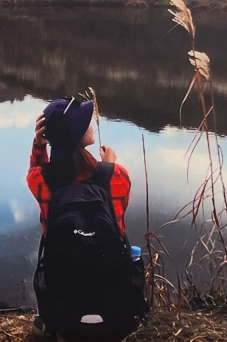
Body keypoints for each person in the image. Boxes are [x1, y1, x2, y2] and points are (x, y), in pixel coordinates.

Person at [28, 97, 145, 340]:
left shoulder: (40, 179)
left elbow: (36, 173)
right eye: (84, 122)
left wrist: (39, 147)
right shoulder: (118, 176)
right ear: (76, 135)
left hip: (63, 296)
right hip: (112, 297)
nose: (91, 123)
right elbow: (117, 221)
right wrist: (110, 166)